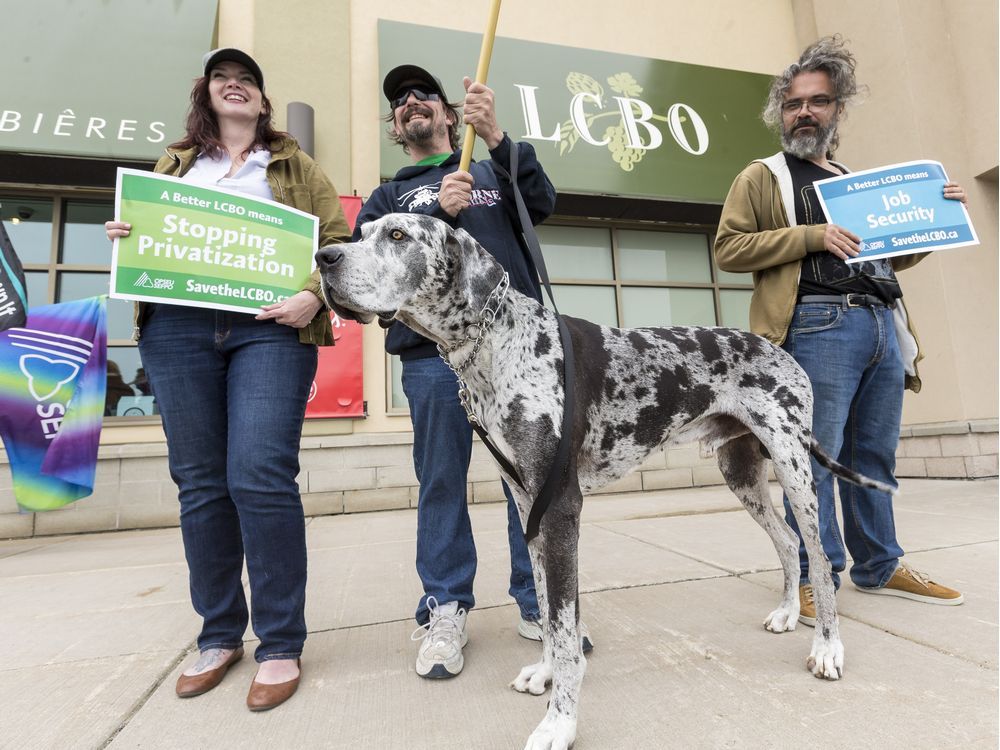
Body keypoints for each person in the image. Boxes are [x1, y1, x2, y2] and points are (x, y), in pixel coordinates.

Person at [105, 48, 350, 709]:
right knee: (201, 483)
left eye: (247, 81)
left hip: (269, 330)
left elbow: (338, 246)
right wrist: (128, 234)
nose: (235, 86)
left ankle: (279, 642)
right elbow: (151, 239)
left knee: (259, 473)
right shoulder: (175, 165)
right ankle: (218, 633)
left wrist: (314, 296)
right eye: (223, 79)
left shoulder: (298, 167)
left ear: (263, 102)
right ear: (207, 95)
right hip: (179, 331)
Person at [715, 36, 965, 627]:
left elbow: (888, 258)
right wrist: (812, 236)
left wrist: (937, 219)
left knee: (872, 456)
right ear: (781, 111)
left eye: (818, 102)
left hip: (882, 322)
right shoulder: (763, 177)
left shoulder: (856, 182)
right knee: (815, 459)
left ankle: (879, 563)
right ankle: (812, 574)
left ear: (837, 110)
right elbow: (728, 247)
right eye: (794, 103)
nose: (805, 112)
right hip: (817, 323)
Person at [354, 64, 584, 679]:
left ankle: (538, 603)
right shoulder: (389, 198)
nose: (410, 104)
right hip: (433, 360)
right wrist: (439, 213)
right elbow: (370, 278)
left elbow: (543, 203)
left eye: (424, 95)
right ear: (396, 129)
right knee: (441, 483)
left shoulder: (491, 168)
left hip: (515, 356)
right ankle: (445, 608)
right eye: (400, 102)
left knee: (531, 477)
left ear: (451, 115)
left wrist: (500, 136)